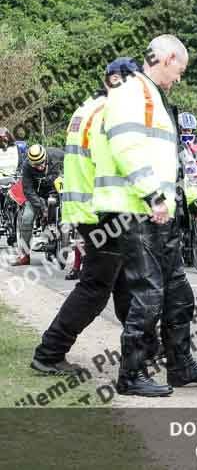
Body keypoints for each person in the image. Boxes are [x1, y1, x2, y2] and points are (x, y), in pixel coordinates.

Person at [96, 35, 197, 397]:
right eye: (180, 70)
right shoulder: (132, 92)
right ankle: (131, 374)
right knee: (148, 294)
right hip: (135, 210)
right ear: (167, 58)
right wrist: (152, 196)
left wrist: (193, 203)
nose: (179, 78)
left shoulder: (153, 95)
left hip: (157, 212)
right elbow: (126, 147)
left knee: (179, 293)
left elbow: (170, 161)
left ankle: (180, 365)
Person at [31, 57, 140, 374]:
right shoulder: (110, 113)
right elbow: (114, 165)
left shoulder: (87, 108)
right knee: (95, 287)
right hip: (104, 209)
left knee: (123, 282)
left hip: (88, 207)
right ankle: (49, 352)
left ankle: (143, 343)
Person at [11, 144, 65, 266]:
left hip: (58, 192)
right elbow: (28, 190)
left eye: (41, 163)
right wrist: (42, 207)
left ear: (46, 157)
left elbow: (72, 163)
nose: (40, 167)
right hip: (37, 196)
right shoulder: (26, 166)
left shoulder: (57, 154)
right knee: (27, 218)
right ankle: (25, 255)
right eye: (36, 165)